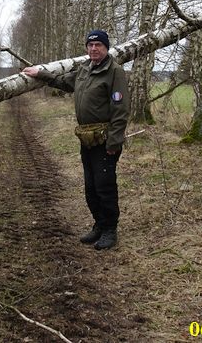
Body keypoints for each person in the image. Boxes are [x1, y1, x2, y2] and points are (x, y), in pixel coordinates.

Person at [23, 30, 129, 250]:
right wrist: (40, 73)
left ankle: (110, 230)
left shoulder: (115, 72)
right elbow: (62, 82)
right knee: (90, 186)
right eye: (90, 46)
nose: (94, 49)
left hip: (105, 140)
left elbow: (120, 110)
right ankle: (99, 225)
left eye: (98, 45)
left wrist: (114, 142)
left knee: (104, 186)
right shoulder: (84, 70)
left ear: (106, 47)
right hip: (87, 138)